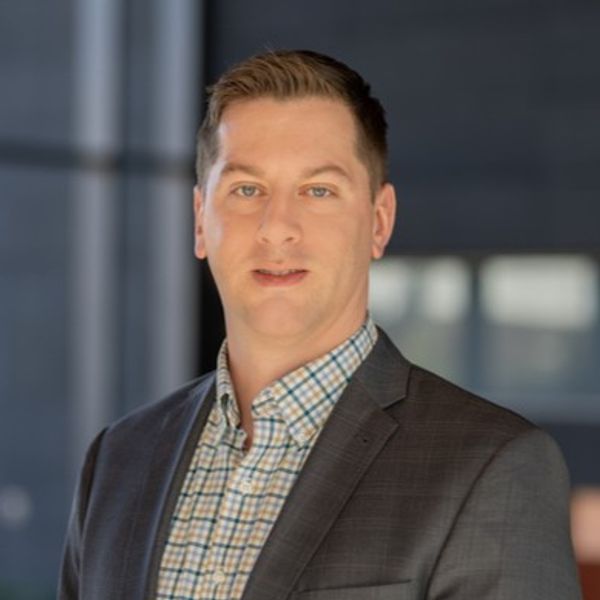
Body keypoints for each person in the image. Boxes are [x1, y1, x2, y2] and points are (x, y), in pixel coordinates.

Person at [59, 50, 582, 600]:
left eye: (318, 191)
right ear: (199, 220)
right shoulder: (118, 460)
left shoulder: (491, 467)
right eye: (246, 189)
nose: (277, 228)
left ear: (378, 222)